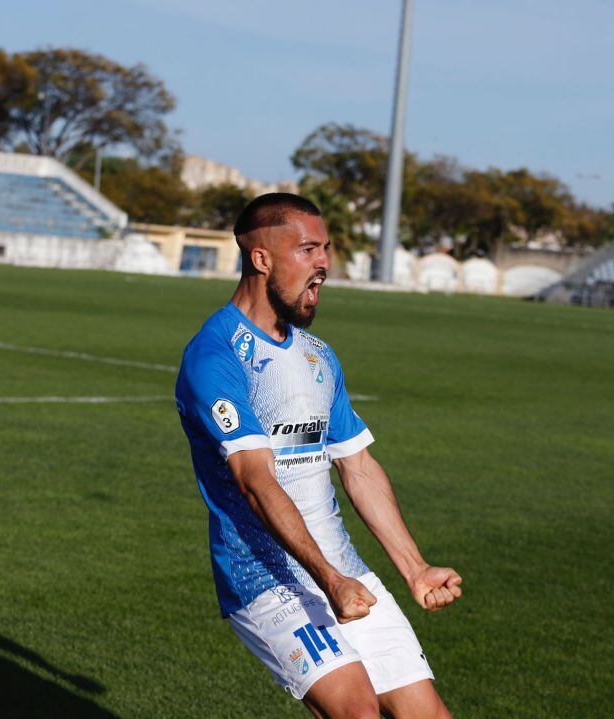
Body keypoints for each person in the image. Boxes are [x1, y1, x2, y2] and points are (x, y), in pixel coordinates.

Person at [175, 193, 462, 719]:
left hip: (345, 571)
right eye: (308, 250)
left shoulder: (318, 356)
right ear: (261, 258)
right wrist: (327, 580)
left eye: (325, 249)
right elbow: (256, 482)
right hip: (267, 580)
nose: (324, 263)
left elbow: (359, 467)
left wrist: (415, 568)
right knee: (358, 713)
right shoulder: (216, 356)